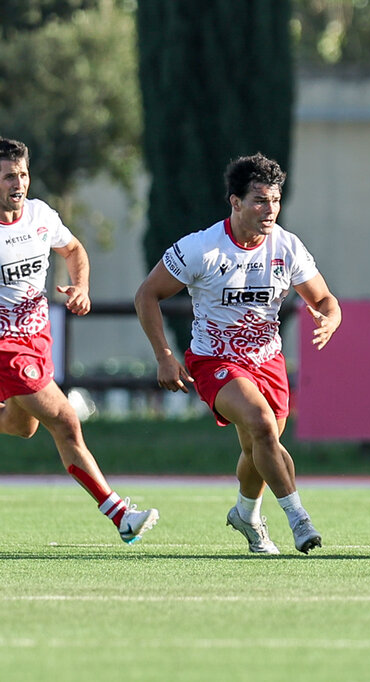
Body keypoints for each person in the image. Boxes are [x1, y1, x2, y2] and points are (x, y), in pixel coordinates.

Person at [135, 152, 341, 555]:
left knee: (260, 448)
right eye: (260, 200)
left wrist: (331, 318)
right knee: (261, 424)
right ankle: (299, 519)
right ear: (235, 202)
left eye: (276, 200)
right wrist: (163, 354)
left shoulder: (287, 247)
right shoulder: (201, 248)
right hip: (214, 360)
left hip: (268, 361)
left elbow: (326, 299)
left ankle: (246, 513)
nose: (270, 210)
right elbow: (147, 294)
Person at [0, 137, 159, 544]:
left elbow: (72, 249)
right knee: (67, 421)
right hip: (7, 349)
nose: (17, 184)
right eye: (6, 177)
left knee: (23, 427)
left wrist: (81, 286)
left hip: (37, 340)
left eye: (21, 174)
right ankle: (120, 514)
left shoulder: (39, 215)